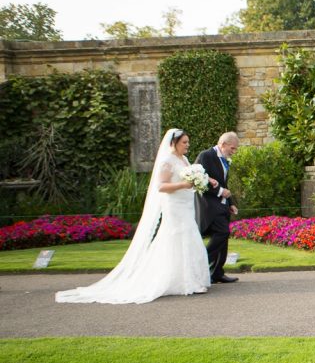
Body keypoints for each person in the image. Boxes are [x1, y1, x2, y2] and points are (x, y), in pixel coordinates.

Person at [56, 129, 211, 303]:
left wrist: (200, 181)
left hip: (186, 205)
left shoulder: (184, 159)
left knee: (189, 238)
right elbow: (161, 186)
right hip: (174, 206)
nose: (187, 145)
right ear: (173, 143)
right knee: (177, 238)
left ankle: (191, 279)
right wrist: (183, 184)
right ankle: (182, 281)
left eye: (188, 142)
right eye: (184, 142)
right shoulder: (167, 161)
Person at [197, 132, 240, 284]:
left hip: (221, 205)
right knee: (222, 232)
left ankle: (217, 273)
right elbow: (199, 179)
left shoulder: (224, 160)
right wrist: (220, 192)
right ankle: (199, 264)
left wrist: (231, 203)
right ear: (223, 144)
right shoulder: (206, 156)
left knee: (223, 237)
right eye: (232, 148)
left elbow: (223, 183)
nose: (234, 152)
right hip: (209, 205)